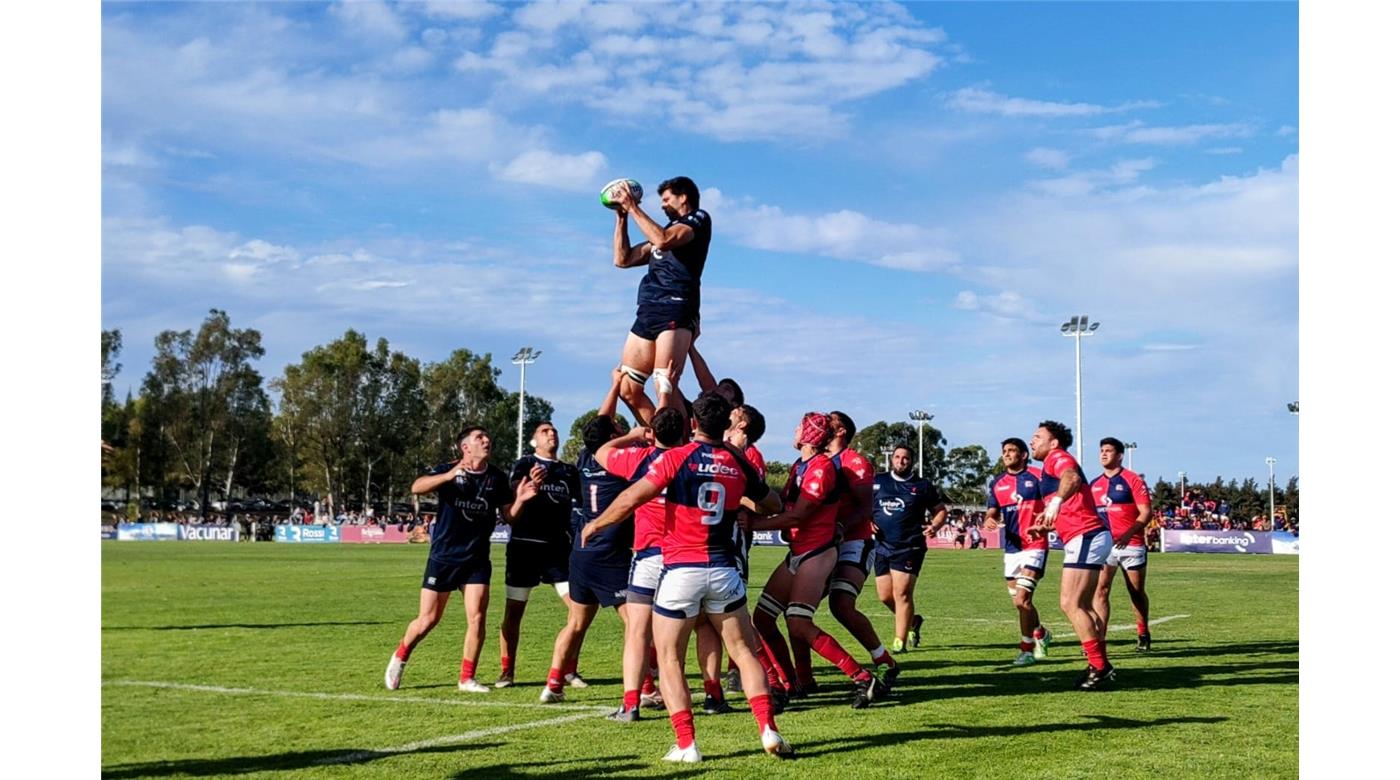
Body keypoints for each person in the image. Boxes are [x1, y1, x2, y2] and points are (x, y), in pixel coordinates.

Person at [580, 392, 792, 763]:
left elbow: (632, 497)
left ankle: (686, 744)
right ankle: (767, 729)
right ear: (725, 424)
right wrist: (745, 500)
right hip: (724, 571)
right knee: (744, 652)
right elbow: (773, 504)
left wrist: (597, 523)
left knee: (669, 658)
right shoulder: (737, 461)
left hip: (680, 571)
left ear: (693, 422)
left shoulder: (676, 458)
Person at [384, 425, 538, 693]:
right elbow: (417, 487)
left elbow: (510, 516)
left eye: (487, 436)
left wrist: (521, 500)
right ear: (465, 447)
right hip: (444, 557)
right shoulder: (448, 469)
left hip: (477, 559)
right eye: (480, 438)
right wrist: (448, 476)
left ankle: (467, 678)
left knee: (477, 618)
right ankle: (400, 656)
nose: (487, 440)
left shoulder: (497, 478)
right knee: (428, 619)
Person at [750, 413, 887, 709]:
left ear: (810, 434)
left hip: (817, 552)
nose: (795, 430)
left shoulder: (822, 468)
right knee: (760, 619)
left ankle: (863, 677)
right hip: (800, 551)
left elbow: (800, 514)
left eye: (799, 426)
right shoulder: (801, 465)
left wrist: (752, 524)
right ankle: (788, 684)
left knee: (800, 622)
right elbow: (786, 507)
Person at [539, 375, 634, 703]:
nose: (622, 431)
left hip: (581, 554)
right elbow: (605, 427)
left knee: (575, 624)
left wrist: (615, 387)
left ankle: (553, 684)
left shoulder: (584, 459)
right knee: (635, 625)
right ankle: (645, 690)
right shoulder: (620, 463)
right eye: (619, 429)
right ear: (613, 437)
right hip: (610, 554)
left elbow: (599, 425)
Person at [596, 406, 689, 721]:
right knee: (680, 637)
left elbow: (601, 452)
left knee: (637, 632)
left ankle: (631, 704)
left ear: (653, 433)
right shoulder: (692, 458)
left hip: (648, 556)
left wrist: (632, 436)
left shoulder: (638, 458)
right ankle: (708, 695)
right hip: (682, 557)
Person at [609, 176, 712, 424]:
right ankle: (661, 437)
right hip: (648, 310)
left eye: (666, 199)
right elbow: (622, 259)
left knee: (664, 383)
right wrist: (622, 218)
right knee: (627, 388)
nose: (662, 205)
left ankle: (679, 444)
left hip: (676, 307)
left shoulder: (696, 220)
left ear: (683, 197)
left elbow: (665, 239)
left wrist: (634, 207)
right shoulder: (660, 235)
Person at [1029, 420, 1115, 690]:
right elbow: (1071, 507)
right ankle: (1099, 664)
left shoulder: (1058, 457)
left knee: (1070, 603)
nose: (1032, 441)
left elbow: (1072, 478)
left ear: (1053, 443)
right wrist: (1044, 523)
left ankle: (1100, 667)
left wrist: (1055, 501)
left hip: (1087, 535)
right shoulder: (1048, 466)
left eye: (1037, 437)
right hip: (1086, 535)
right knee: (1083, 606)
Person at [498, 422, 582, 689]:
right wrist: (529, 485)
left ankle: (569, 669)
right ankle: (507, 671)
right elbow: (513, 498)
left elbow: (579, 506)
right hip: (525, 547)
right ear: (534, 440)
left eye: (554, 430)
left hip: (559, 550)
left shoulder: (569, 471)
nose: (551, 433)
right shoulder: (524, 464)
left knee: (578, 611)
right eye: (544, 431)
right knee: (514, 612)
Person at [824, 412, 900, 685]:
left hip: (853, 541)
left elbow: (865, 508)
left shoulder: (855, 462)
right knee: (798, 610)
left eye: (829, 419)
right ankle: (800, 677)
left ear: (841, 430)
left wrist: (841, 527)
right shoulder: (819, 460)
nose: (822, 421)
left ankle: (883, 660)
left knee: (841, 604)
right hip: (822, 543)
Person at [983, 437, 1052, 666]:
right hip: (1012, 549)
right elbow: (991, 512)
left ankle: (1027, 650)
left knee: (1023, 599)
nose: (1007, 454)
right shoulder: (997, 482)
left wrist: (1045, 524)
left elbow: (1054, 505)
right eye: (1004, 451)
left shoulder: (1038, 475)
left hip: (1035, 545)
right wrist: (990, 520)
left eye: (1012, 451)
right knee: (1020, 603)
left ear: (1023, 455)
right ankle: (1040, 632)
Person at [873, 444, 947, 653]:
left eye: (905, 458)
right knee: (885, 596)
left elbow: (940, 510)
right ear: (891, 460)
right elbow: (863, 508)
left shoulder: (922, 486)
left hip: (909, 545)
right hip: (881, 546)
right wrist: (867, 521)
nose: (900, 461)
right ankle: (913, 621)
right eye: (897, 457)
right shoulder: (878, 482)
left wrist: (935, 525)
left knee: (902, 594)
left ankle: (900, 641)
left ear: (911, 462)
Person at [1090, 437, 1154, 652]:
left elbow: (1146, 513)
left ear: (1119, 455)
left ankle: (1143, 632)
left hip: (1132, 544)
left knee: (1135, 592)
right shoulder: (1094, 484)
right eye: (1101, 450)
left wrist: (1128, 534)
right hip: (1106, 546)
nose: (1103, 454)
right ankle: (1099, 638)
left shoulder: (1132, 480)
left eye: (1108, 451)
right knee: (1100, 590)